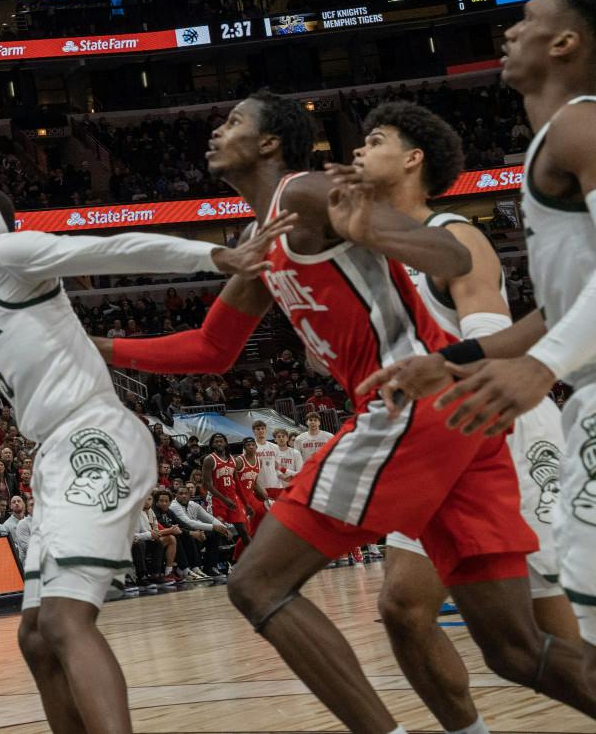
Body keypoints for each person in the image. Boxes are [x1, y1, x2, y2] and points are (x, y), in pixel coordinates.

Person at [104, 90, 596, 734]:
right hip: (454, 428)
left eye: (232, 122)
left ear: (270, 144)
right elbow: (212, 348)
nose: (214, 131)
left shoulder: (305, 194)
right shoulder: (262, 235)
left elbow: (449, 257)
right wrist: (99, 347)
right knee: (514, 649)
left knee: (257, 585)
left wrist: (371, 227)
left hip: (411, 407)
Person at [0, 178, 284, 734]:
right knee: (37, 638)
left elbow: (111, 246)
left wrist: (217, 256)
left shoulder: (5, 253)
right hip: (55, 452)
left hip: (94, 436)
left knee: (65, 623)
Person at [363, 0, 596, 695]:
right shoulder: (556, 139)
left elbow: (546, 332)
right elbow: (557, 309)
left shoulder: (580, 124)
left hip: (541, 410)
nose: (510, 30)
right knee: (562, 644)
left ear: (564, 40)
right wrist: (453, 361)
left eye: (528, 19)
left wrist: (539, 366)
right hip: (540, 391)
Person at [337, 101, 579, 731]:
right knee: (403, 608)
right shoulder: (375, 253)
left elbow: (498, 342)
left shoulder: (454, 236)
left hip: (500, 427)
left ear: (414, 159)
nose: (360, 149)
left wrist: (437, 369)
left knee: (549, 626)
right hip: (431, 445)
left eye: (377, 139)